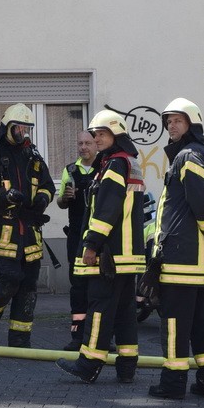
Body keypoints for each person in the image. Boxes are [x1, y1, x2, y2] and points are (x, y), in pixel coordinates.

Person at [147, 98, 204, 400]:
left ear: (191, 124)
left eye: (177, 121)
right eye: (168, 121)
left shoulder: (187, 157)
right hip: (203, 264)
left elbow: (201, 201)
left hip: (181, 259)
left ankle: (173, 384)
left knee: (175, 325)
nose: (171, 125)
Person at [55, 110, 145, 383]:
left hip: (110, 253)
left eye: (102, 134)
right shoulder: (130, 162)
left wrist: (91, 245)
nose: (97, 139)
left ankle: (88, 364)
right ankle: (127, 366)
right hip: (128, 255)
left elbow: (106, 211)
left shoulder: (115, 164)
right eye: (96, 135)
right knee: (125, 311)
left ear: (116, 135)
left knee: (100, 308)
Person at [0, 103, 55, 347]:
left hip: (30, 233)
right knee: (8, 279)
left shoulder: (34, 155)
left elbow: (48, 185)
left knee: (29, 286)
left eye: (26, 128)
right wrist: (4, 197)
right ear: (7, 127)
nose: (23, 133)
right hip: (4, 231)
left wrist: (43, 197)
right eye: (18, 128)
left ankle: (20, 337)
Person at [56, 129, 97, 350]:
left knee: (99, 288)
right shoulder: (70, 170)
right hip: (76, 237)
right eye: (80, 143)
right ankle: (77, 335)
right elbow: (60, 202)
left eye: (88, 143)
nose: (83, 147)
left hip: (99, 238)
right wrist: (65, 198)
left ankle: (100, 336)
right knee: (78, 287)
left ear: (96, 144)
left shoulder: (105, 167)